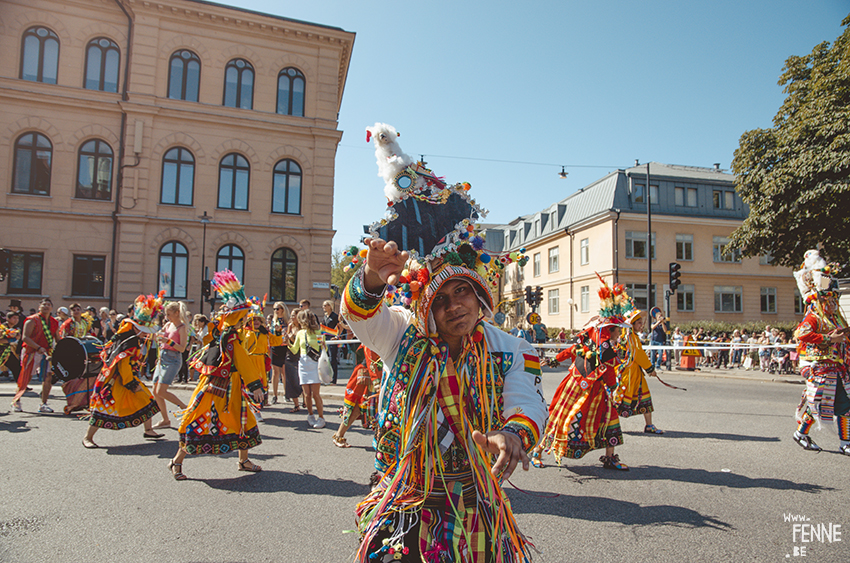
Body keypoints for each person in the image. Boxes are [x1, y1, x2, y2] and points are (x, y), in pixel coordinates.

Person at [342, 238, 546, 562]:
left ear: (479, 295)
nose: (453, 306)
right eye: (439, 298)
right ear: (425, 308)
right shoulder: (400, 334)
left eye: (461, 290)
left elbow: (528, 401)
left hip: (474, 501)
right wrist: (371, 276)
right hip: (404, 500)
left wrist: (513, 434)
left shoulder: (512, 349)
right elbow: (362, 317)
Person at [170, 270, 265, 480]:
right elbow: (242, 361)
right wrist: (256, 386)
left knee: (243, 419)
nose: (246, 320)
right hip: (219, 386)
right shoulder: (230, 338)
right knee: (198, 419)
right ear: (238, 318)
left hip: (225, 385)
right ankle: (177, 461)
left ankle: (244, 460)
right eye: (244, 317)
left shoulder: (222, 334)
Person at [532, 276, 630, 470]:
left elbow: (569, 351)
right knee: (562, 416)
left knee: (605, 418)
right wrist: (614, 388)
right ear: (611, 330)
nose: (620, 335)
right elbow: (606, 371)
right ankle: (537, 450)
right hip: (580, 388)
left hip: (586, 387)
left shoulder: (591, 338)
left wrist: (554, 360)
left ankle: (610, 457)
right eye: (618, 331)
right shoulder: (605, 347)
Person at [83, 293, 165, 448]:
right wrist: (131, 383)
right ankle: (88, 437)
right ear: (135, 327)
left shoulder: (131, 338)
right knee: (104, 407)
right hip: (117, 379)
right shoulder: (129, 341)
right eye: (143, 329)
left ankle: (148, 430)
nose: (146, 332)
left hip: (128, 377)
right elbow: (123, 364)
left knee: (147, 400)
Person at [791, 250, 849, 454]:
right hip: (820, 368)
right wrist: (829, 338)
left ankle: (846, 443)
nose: (833, 304)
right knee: (817, 405)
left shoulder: (837, 319)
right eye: (829, 301)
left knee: (845, 405)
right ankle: (800, 434)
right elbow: (801, 333)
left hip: (839, 368)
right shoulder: (814, 316)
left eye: (834, 301)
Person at [613, 308, 664, 434]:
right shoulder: (631, 337)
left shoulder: (630, 336)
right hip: (629, 374)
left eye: (641, 323)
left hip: (634, 373)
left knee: (644, 396)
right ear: (633, 325)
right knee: (617, 399)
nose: (641, 325)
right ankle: (607, 425)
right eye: (639, 323)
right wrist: (650, 369)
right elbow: (639, 354)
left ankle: (649, 425)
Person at [12, 298, 59, 413]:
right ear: (39, 307)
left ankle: (43, 404)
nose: (46, 306)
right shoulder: (32, 320)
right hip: (32, 351)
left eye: (48, 304)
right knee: (26, 377)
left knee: (48, 377)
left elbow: (57, 338)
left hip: (47, 353)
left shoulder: (54, 322)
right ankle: (16, 400)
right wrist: (38, 347)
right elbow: (25, 337)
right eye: (44, 304)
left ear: (51, 308)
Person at [332, 345, 382, 448]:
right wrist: (376, 381)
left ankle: (339, 435)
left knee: (368, 408)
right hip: (367, 374)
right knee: (357, 407)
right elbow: (370, 358)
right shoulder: (371, 337)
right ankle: (339, 435)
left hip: (375, 374)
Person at [151, 301, 190, 429]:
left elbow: (182, 348)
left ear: (177, 313)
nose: (167, 317)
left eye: (169, 314)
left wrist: (168, 341)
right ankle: (165, 420)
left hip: (173, 359)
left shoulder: (182, 328)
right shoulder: (168, 325)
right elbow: (158, 336)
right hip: (163, 357)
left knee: (161, 391)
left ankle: (186, 409)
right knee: (156, 392)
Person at [286, 309, 325, 428]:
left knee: (315, 394)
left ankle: (321, 417)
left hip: (314, 364)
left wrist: (323, 345)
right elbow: (295, 349)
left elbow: (324, 350)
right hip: (303, 364)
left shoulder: (318, 333)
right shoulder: (300, 333)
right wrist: (287, 343)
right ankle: (310, 415)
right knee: (306, 394)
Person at [268, 302, 290, 404]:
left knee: (284, 372)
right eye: (274, 309)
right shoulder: (273, 321)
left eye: (278, 308)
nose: (276, 311)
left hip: (285, 347)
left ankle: (286, 394)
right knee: (275, 372)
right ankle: (275, 395)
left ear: (282, 309)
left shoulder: (287, 321)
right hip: (275, 347)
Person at [321, 299, 341, 384]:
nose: (324, 307)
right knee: (327, 359)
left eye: (325, 305)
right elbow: (322, 328)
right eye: (323, 306)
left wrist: (337, 337)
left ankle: (334, 379)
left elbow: (340, 327)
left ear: (330, 306)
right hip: (326, 339)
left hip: (332, 339)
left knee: (333, 359)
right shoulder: (325, 317)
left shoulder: (334, 316)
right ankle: (327, 378)